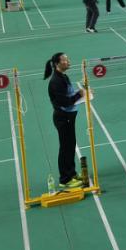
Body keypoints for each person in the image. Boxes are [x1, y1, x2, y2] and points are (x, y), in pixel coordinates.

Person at [43, 53, 86, 191]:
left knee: (71, 145)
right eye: (65, 60)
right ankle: (65, 180)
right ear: (57, 64)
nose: (68, 61)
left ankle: (72, 174)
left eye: (68, 59)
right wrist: (79, 94)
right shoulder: (56, 81)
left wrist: (82, 93)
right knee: (65, 148)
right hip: (63, 118)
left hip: (68, 117)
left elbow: (68, 96)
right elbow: (65, 102)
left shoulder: (63, 77)